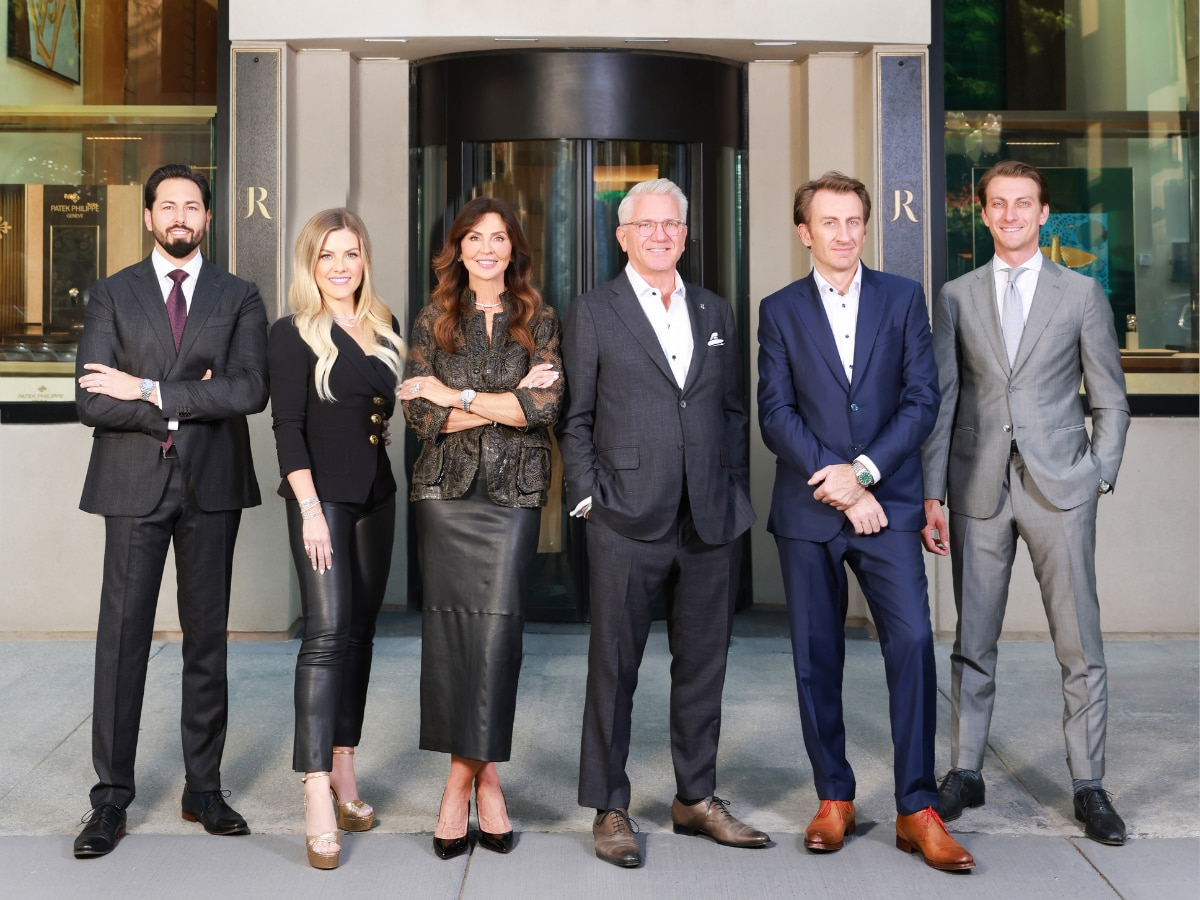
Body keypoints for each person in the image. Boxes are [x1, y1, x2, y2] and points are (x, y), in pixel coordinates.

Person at [757, 171, 974, 872]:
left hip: (889, 503)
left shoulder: (903, 299)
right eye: (830, 222)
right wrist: (844, 486)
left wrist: (867, 475)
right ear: (805, 233)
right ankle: (834, 796)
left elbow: (921, 400)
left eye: (855, 221)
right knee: (816, 656)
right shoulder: (778, 309)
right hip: (811, 509)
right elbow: (775, 414)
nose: (844, 234)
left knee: (911, 642)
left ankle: (917, 807)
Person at [920, 160, 1130, 845]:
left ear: (1044, 214)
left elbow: (1110, 398)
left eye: (1024, 205)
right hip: (978, 487)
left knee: (1080, 647)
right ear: (982, 214)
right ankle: (965, 770)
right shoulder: (955, 295)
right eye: (998, 205)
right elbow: (945, 400)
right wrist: (931, 491)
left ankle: (1089, 785)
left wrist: (1097, 474)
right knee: (971, 643)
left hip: (1060, 490)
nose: (1010, 215)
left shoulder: (1081, 294)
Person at [559, 178, 767, 869]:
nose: (659, 235)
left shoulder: (716, 309)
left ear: (685, 232)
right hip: (624, 516)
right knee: (614, 668)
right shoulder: (594, 310)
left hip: (709, 516)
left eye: (671, 224)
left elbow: (731, 410)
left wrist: (733, 491)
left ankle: (695, 797)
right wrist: (589, 497)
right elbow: (577, 417)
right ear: (622, 236)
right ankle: (609, 805)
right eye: (645, 225)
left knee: (703, 666)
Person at [73, 164, 268, 858]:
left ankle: (204, 788)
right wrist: (191, 392)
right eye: (168, 205)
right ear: (150, 216)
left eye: (193, 205)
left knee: (207, 641)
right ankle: (110, 801)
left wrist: (147, 385)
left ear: (208, 219)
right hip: (132, 487)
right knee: (121, 643)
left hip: (212, 486)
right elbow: (93, 399)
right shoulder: (111, 294)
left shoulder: (239, 294)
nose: (180, 216)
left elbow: (248, 391)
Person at [398, 196, 563, 860]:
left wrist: (453, 396)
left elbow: (544, 407)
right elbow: (418, 420)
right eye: (475, 238)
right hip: (445, 494)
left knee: (497, 637)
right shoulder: (434, 319)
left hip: (513, 498)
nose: (488, 248)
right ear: (458, 249)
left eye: (499, 237)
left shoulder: (538, 319)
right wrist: (500, 405)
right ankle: (483, 781)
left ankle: (461, 779)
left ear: (514, 248)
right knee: (450, 637)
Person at [268, 208, 405, 869]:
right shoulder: (291, 332)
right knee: (325, 636)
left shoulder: (385, 325)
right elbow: (286, 428)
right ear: (310, 264)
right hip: (322, 504)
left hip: (379, 498)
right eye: (328, 256)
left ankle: (346, 774)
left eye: (351, 253)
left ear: (364, 259)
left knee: (360, 634)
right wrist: (310, 510)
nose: (341, 266)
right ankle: (317, 789)